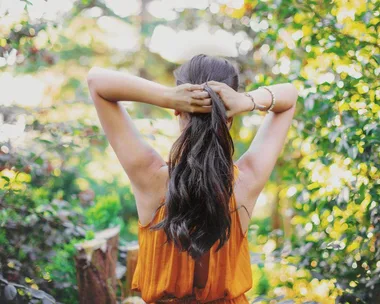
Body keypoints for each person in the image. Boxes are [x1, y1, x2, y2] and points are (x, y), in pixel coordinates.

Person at [87, 54, 298, 303]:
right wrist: (247, 101)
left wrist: (167, 96)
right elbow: (290, 95)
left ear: (177, 109)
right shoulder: (245, 181)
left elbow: (96, 81)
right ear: (229, 116)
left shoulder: (149, 176)